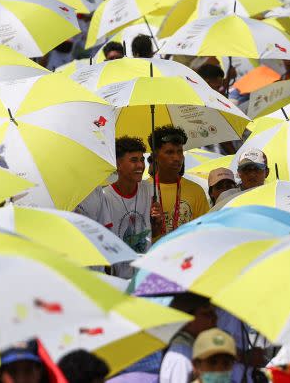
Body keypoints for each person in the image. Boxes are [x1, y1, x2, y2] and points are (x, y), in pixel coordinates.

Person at [75, 137, 153, 278]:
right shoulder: (105, 196)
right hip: (117, 279)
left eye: (142, 160)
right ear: (118, 164)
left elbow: (155, 230)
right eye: (134, 160)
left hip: (145, 275)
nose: (141, 165)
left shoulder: (149, 189)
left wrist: (157, 220)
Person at [148, 125, 209, 240]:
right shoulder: (144, 189)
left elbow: (204, 233)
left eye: (180, 152)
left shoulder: (196, 190)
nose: (177, 158)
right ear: (155, 156)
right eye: (169, 152)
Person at [160, 293, 219, 383]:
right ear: (188, 320)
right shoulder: (181, 357)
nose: (215, 318)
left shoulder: (189, 351)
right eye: (207, 314)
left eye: (214, 312)